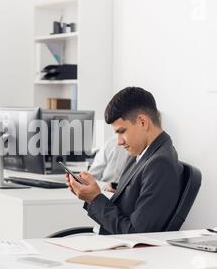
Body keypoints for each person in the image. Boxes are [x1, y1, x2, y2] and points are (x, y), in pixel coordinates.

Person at [66, 87, 183, 235]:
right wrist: (92, 192)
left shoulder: (160, 164)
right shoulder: (140, 154)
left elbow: (136, 234)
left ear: (142, 122)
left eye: (122, 131)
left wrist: (95, 198)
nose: (119, 142)